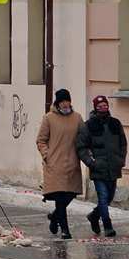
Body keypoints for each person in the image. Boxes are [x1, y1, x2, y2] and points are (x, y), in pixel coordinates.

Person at [36, 88, 84, 240]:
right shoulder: (49, 118)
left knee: (70, 194)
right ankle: (65, 230)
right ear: (57, 103)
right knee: (60, 197)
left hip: (72, 163)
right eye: (62, 101)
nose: (65, 104)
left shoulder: (77, 118)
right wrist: (46, 155)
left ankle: (55, 217)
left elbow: (84, 138)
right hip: (54, 164)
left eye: (67, 101)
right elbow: (41, 140)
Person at [77, 95, 128, 238]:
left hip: (113, 167)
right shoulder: (88, 126)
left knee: (110, 197)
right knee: (103, 197)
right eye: (99, 106)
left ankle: (94, 216)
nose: (103, 108)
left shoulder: (115, 123)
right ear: (95, 108)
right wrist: (91, 162)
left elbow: (123, 143)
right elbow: (81, 147)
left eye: (105, 105)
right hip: (98, 168)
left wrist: (121, 159)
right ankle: (107, 226)